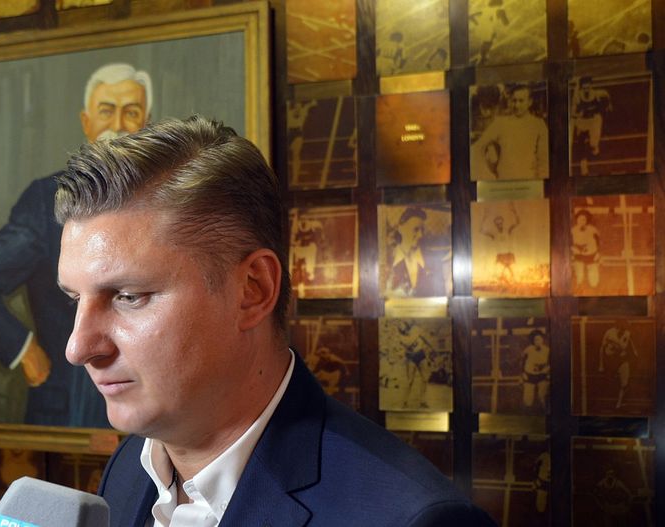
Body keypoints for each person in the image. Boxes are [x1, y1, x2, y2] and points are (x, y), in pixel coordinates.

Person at [55, 116, 494, 526]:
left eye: (128, 297)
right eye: (75, 298)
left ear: (253, 290)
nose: (78, 347)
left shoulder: (414, 519)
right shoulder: (129, 468)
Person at [0, 63, 151, 427]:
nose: (118, 124)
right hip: (66, 402)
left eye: (131, 112)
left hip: (155, 403)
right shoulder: (45, 201)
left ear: (147, 122)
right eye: (106, 111)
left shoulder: (172, 202)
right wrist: (22, 348)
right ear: (87, 122)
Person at [471, 84, 549, 180]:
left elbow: (544, 161)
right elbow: (478, 147)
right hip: (504, 179)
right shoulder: (501, 123)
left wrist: (539, 182)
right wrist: (488, 174)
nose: (517, 105)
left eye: (521, 101)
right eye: (514, 101)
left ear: (530, 102)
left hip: (528, 180)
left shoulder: (538, 124)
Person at [385, 206, 448, 297]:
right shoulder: (388, 259)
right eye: (416, 229)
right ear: (401, 229)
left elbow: (441, 296)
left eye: (422, 230)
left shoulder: (433, 260)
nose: (420, 235)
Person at [571, 77, 612, 176]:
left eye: (588, 88)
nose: (586, 90)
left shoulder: (597, 94)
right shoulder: (577, 97)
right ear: (581, 88)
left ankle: (595, 147)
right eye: (584, 88)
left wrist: (609, 105)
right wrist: (578, 114)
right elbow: (572, 112)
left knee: (593, 145)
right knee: (581, 142)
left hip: (594, 119)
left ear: (591, 87)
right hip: (583, 120)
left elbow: (606, 94)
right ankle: (583, 167)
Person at [598, 322, 638, 410]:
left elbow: (626, 345)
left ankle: (619, 403)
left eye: (624, 329)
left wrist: (634, 350)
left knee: (624, 383)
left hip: (622, 360)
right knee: (610, 382)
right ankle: (612, 401)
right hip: (611, 360)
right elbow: (602, 348)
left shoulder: (627, 333)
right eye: (620, 328)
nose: (622, 331)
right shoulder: (609, 332)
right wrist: (601, 364)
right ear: (616, 327)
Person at [480, 204, 520, 285]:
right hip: (501, 255)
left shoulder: (507, 230)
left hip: (508, 255)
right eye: (497, 224)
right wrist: (484, 217)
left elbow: (517, 223)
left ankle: (511, 281)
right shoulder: (494, 234)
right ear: (495, 224)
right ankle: (506, 280)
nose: (499, 225)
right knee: (503, 271)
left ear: (502, 222)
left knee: (509, 269)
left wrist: (514, 212)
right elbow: (481, 231)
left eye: (500, 223)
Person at [520, 330, 549, 411]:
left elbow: (551, 363)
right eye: (536, 340)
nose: (538, 341)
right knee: (528, 400)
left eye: (539, 339)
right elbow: (521, 362)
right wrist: (522, 373)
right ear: (533, 341)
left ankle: (545, 411)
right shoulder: (528, 350)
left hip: (542, 376)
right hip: (530, 375)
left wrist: (547, 370)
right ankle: (528, 412)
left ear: (543, 339)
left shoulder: (547, 350)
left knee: (542, 396)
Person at [571, 209, 600, 290]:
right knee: (579, 276)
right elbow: (569, 243)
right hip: (578, 255)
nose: (581, 221)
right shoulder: (573, 230)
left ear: (587, 220)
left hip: (591, 254)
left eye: (584, 219)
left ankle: (594, 287)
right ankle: (579, 285)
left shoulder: (592, 230)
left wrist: (598, 253)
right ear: (577, 220)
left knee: (594, 281)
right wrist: (574, 250)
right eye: (579, 219)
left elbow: (598, 242)